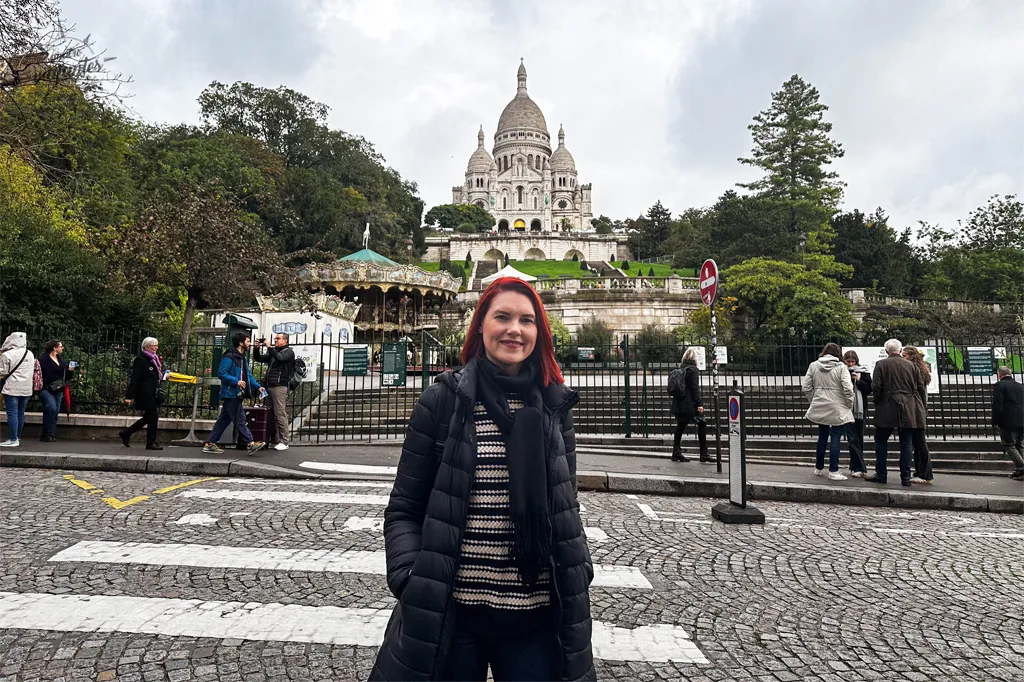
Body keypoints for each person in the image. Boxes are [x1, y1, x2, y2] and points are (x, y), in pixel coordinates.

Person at [369, 277, 594, 682]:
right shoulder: (443, 401)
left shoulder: (555, 405)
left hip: (536, 616)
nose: (514, 329)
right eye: (502, 317)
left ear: (538, 333)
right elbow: (404, 508)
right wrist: (410, 579)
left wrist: (580, 568)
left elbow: (567, 504)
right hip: (455, 618)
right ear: (481, 327)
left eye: (527, 320)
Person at [865, 338, 926, 487]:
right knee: (906, 443)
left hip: (887, 405)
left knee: (880, 440)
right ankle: (905, 477)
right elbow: (920, 387)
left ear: (886, 351)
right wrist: (922, 407)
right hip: (909, 405)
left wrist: (878, 402)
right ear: (900, 350)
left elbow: (876, 386)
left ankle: (881, 474)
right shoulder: (912, 365)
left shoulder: (881, 364)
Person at [203, 332, 266, 455]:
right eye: (247, 341)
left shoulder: (242, 358)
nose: (249, 344)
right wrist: (236, 381)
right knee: (240, 418)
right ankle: (250, 443)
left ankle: (210, 444)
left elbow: (248, 375)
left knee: (224, 420)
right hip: (231, 393)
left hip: (236, 393)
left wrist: (258, 387)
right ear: (241, 343)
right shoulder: (229, 357)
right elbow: (222, 373)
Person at [801, 342, 855, 481]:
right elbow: (848, 388)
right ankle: (833, 470)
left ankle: (819, 468)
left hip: (820, 403)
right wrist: (849, 404)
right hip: (838, 405)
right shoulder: (841, 367)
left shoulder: (814, 365)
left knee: (822, 436)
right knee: (836, 437)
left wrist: (815, 399)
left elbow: (806, 387)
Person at [120, 337, 165, 450]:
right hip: (143, 393)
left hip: (152, 392)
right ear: (147, 347)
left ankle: (127, 433)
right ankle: (151, 442)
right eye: (153, 345)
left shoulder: (154, 360)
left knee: (148, 417)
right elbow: (135, 378)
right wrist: (129, 396)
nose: (156, 347)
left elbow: (154, 376)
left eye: (156, 345)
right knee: (153, 416)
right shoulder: (141, 359)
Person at [667, 348, 711, 463]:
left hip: (679, 403)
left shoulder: (681, 368)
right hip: (689, 405)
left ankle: (676, 453)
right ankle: (704, 453)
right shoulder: (693, 370)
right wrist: (699, 404)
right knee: (702, 423)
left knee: (680, 426)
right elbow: (695, 389)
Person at [254, 332, 295, 451]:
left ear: (285, 341)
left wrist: (269, 347)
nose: (275, 340)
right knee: (269, 414)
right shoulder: (274, 351)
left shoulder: (288, 352)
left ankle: (284, 441)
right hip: (269, 386)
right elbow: (259, 359)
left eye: (278, 338)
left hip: (280, 386)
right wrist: (256, 349)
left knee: (279, 413)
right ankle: (271, 439)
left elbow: (280, 358)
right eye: (275, 338)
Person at [902, 346, 934, 484]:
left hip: (916, 407)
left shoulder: (913, 369)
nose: (902, 358)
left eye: (904, 355)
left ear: (911, 356)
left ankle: (924, 473)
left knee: (919, 442)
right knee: (919, 442)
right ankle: (922, 472)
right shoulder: (920, 369)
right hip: (919, 407)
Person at [0, 332, 34, 447]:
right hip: (26, 388)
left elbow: (2, 371)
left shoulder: (7, 354)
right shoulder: (29, 353)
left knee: (12, 413)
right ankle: (17, 437)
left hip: (12, 387)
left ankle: (13, 439)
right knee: (20, 413)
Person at [38, 339, 76, 442]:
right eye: (60, 346)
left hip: (58, 388)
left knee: (55, 412)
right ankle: (47, 433)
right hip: (46, 388)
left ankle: (50, 433)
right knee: (51, 407)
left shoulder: (60, 360)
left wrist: (70, 371)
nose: (62, 348)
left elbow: (66, 377)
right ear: (55, 348)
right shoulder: (43, 359)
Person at [842, 350, 872, 478]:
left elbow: (868, 390)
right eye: (848, 362)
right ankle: (859, 467)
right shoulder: (842, 371)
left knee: (859, 437)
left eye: (852, 361)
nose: (850, 364)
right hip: (847, 408)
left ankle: (855, 466)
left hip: (860, 409)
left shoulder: (863, 372)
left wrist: (859, 380)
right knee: (852, 438)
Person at [992, 366, 1024, 481]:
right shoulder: (1020, 385)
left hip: (1008, 421)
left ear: (999, 375)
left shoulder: (999, 385)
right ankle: (1019, 471)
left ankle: (1021, 467)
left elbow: (998, 405)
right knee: (1019, 445)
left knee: (1009, 445)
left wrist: (995, 421)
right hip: (1022, 419)